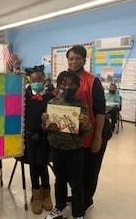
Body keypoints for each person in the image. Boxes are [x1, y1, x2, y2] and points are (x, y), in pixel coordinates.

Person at [65, 45, 111, 212]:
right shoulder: (65, 81)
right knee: (75, 169)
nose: (74, 61)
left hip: (95, 132)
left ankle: (86, 200)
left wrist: (97, 137)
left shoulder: (92, 81)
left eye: (78, 58)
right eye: (71, 58)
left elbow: (100, 110)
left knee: (90, 171)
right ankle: (78, 196)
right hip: (74, 135)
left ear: (84, 60)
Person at [43, 71, 90, 219]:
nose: (67, 87)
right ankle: (59, 208)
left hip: (75, 149)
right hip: (56, 148)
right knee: (59, 181)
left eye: (71, 84)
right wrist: (45, 123)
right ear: (58, 85)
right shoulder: (52, 103)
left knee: (76, 184)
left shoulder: (81, 105)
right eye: (63, 83)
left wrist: (86, 123)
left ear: (77, 86)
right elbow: (45, 127)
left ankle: (78, 214)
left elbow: (87, 130)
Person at [24, 66, 55, 215]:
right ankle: (36, 195)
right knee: (33, 166)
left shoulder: (50, 97)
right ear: (30, 81)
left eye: (39, 80)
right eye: (34, 80)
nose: (37, 82)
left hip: (45, 138)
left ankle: (46, 194)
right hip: (29, 138)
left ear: (44, 80)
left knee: (43, 165)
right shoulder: (24, 97)